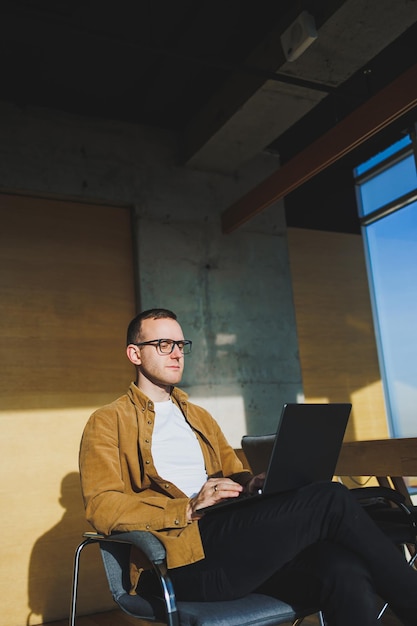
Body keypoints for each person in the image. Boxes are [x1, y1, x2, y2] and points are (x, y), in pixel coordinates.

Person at [79, 308, 417, 626]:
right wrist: (188, 507)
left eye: (181, 345)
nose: (177, 353)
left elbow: (232, 472)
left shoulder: (197, 416)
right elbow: (102, 506)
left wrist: (252, 484)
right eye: (164, 344)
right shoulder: (108, 421)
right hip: (181, 561)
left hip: (233, 540)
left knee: (343, 568)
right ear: (135, 354)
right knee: (330, 497)